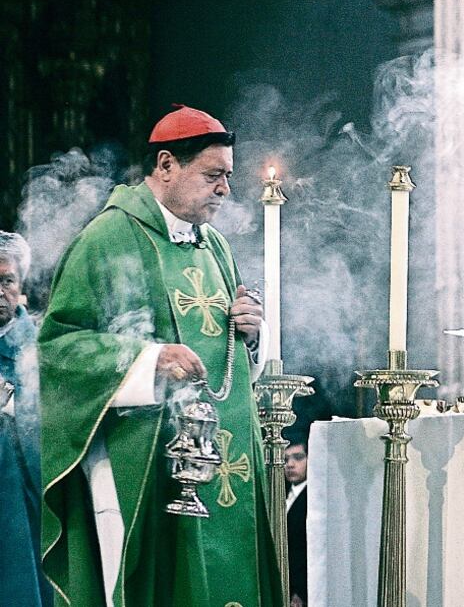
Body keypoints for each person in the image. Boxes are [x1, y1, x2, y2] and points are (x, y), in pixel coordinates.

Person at [39, 105, 282, 606]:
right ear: (167, 165)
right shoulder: (107, 238)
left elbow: (230, 360)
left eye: (228, 177)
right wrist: (148, 361)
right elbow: (58, 347)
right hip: (141, 457)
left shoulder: (214, 245)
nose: (225, 190)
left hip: (222, 455)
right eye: (213, 176)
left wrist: (250, 334)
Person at [0, 231, 50, 606]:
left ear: (20, 286)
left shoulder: (43, 347)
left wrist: (11, 402)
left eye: (6, 280)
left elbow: (62, 420)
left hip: (19, 506)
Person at [285, 438, 309, 607]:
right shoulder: (281, 492)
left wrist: (300, 592)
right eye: (286, 459)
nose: (290, 464)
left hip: (301, 590)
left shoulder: (314, 497)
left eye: (298, 457)